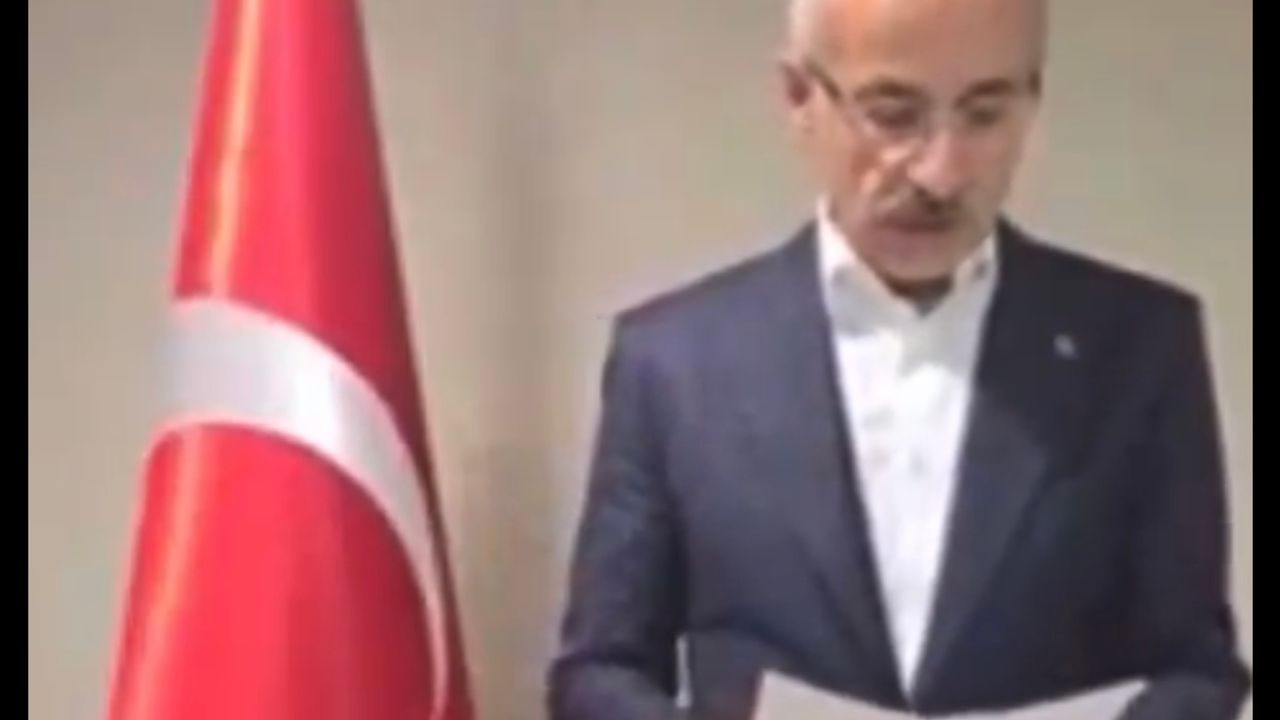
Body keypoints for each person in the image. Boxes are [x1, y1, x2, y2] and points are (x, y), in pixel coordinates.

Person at [546, 0, 1252, 717]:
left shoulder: (1139, 348)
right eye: (893, 116)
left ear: (1031, 103)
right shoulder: (674, 364)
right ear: (800, 97)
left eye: (984, 115)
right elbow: (600, 673)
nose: (940, 173)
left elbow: (1196, 671)